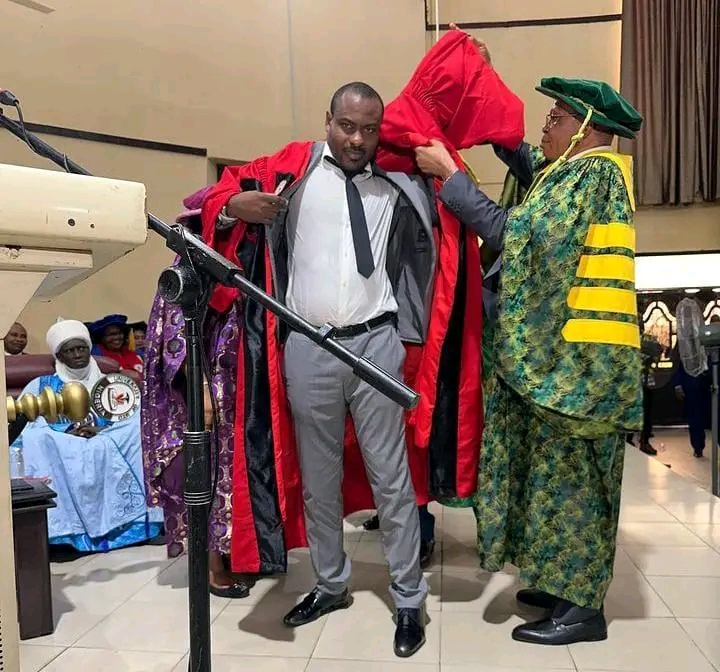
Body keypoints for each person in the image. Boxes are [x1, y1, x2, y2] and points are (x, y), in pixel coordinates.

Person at [198, 31, 524, 658]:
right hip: (307, 347)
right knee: (318, 479)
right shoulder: (290, 170)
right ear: (328, 122)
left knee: (392, 481)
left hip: (377, 347)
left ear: (380, 131)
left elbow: (443, 233)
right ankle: (330, 582)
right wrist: (239, 204)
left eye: (368, 129)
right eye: (346, 126)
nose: (356, 139)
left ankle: (408, 599)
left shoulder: (400, 178)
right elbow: (219, 197)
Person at [415, 73, 644, 644]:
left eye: (558, 118)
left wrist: (451, 179)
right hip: (563, 366)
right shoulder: (570, 173)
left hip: (577, 372)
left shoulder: (593, 174)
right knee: (548, 479)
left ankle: (584, 610)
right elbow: (530, 172)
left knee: (573, 488)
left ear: (589, 130)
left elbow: (523, 238)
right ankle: (559, 582)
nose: (547, 125)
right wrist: (494, 125)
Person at [141, 200, 251, 598]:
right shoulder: (187, 266)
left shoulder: (235, 261)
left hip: (236, 386)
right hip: (202, 388)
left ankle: (232, 551)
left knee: (233, 473)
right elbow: (174, 338)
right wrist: (202, 391)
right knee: (205, 474)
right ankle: (210, 564)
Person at [13, 319, 163, 551]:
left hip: (110, 440)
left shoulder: (111, 383)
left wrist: (104, 431)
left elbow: (132, 414)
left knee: (138, 428)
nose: (77, 355)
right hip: (62, 448)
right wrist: (65, 432)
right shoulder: (40, 385)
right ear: (59, 356)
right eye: (70, 350)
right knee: (38, 439)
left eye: (81, 348)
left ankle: (142, 525)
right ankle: (64, 537)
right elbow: (26, 426)